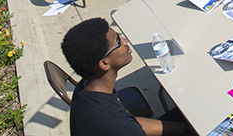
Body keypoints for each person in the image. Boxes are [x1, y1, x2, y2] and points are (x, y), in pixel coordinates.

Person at [61, 18, 192, 136]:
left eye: (119, 36)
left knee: (188, 112)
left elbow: (131, 121)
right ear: (104, 63)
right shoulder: (119, 127)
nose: (125, 41)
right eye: (117, 42)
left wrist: (185, 129)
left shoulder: (85, 88)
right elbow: (126, 126)